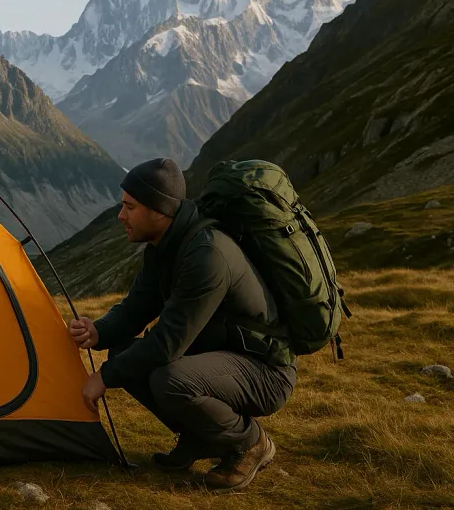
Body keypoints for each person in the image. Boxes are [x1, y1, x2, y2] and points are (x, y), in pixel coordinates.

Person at [69, 158, 296, 491]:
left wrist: (103, 377)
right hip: (222, 358)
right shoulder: (166, 245)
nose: (121, 216)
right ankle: (200, 438)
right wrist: (99, 330)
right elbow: (136, 308)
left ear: (160, 211)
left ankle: (249, 443)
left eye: (130, 207)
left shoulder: (207, 254)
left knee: (170, 379)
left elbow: (167, 342)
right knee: (123, 353)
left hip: (265, 370)